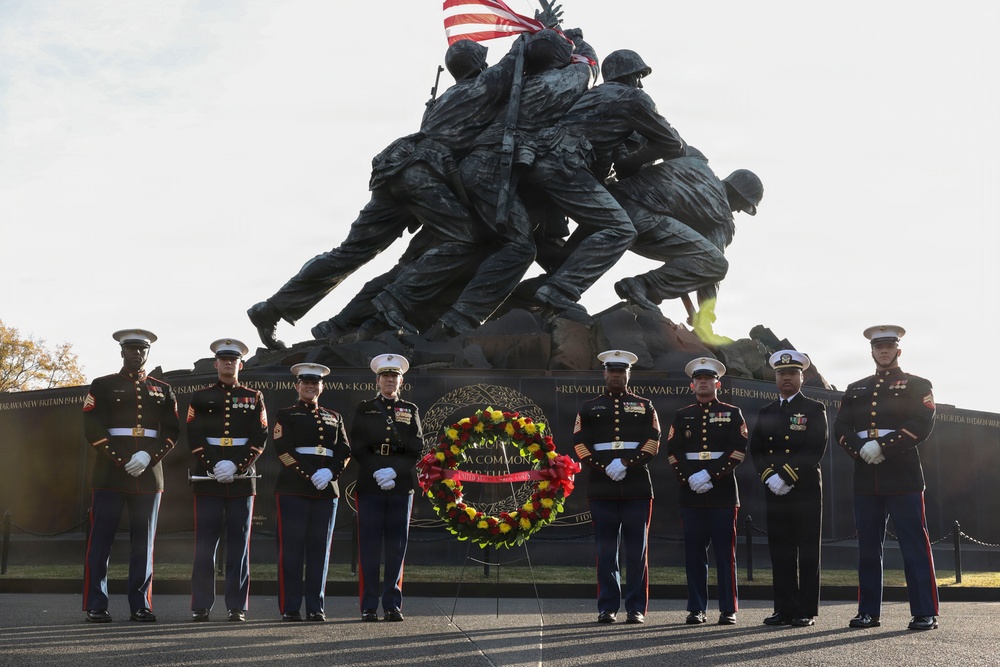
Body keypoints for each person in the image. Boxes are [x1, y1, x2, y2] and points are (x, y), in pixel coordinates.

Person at [247, 34, 532, 348]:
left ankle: (273, 307)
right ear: (478, 64)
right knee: (466, 236)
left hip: (394, 168)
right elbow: (513, 60)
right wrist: (533, 31)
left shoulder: (444, 100)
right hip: (423, 174)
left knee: (350, 252)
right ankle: (394, 303)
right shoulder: (480, 87)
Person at [521, 48, 687, 321]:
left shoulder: (590, 96)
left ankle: (528, 292)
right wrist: (633, 163)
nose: (641, 84)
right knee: (620, 229)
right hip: (564, 167)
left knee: (568, 236)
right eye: (638, 76)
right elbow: (671, 142)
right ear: (629, 76)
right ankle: (559, 290)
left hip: (541, 163)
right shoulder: (633, 98)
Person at [834, 325, 939, 631]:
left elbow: (922, 422)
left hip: (903, 475)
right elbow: (841, 427)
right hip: (866, 476)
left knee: (914, 546)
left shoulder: (917, 384)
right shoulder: (855, 389)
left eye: (889, 346)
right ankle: (868, 612)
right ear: (872, 351)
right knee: (868, 548)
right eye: (878, 347)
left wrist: (882, 447)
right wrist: (860, 450)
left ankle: (924, 612)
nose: (883, 351)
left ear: (898, 351)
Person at [81, 329, 179, 623]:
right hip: (110, 472)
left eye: (141, 350)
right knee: (100, 540)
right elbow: (92, 426)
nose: (136, 354)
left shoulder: (163, 389)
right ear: (121, 352)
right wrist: (123, 459)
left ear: (148, 353)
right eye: (131, 349)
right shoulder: (102, 385)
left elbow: (172, 430)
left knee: (144, 543)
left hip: (149, 475)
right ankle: (96, 604)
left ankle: (141, 604)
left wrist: (148, 456)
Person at [608, 154, 763, 324]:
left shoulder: (697, 165)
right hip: (641, 218)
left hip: (611, 198)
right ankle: (642, 285)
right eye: (743, 205)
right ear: (738, 196)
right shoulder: (722, 215)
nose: (740, 211)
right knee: (718, 264)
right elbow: (710, 264)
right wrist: (706, 313)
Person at [572, 350, 660, 624]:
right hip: (601, 488)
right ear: (604, 374)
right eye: (612, 372)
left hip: (636, 487)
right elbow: (579, 443)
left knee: (637, 552)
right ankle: (607, 607)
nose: (616, 376)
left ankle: (636, 608)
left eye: (621, 372)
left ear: (628, 375)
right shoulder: (589, 407)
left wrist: (625, 463)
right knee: (606, 552)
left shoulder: (645, 405)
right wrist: (604, 466)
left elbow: (653, 440)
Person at [186, 338, 268, 622]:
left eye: (234, 360)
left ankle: (237, 606)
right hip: (207, 478)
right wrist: (214, 465)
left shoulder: (254, 396)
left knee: (239, 546)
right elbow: (194, 434)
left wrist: (235, 464)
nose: (229, 364)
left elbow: (260, 436)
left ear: (240, 364)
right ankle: (201, 605)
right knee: (204, 546)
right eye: (224, 359)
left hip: (243, 479)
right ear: (215, 363)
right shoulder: (201, 396)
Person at [748, 350, 828, 627]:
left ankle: (805, 610)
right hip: (774, 490)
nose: (787, 378)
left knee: (807, 552)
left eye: (792, 373)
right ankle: (784, 608)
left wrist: (787, 476)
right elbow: (756, 449)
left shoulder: (814, 409)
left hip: (803, 490)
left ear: (801, 377)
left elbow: (815, 448)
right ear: (775, 378)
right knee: (780, 552)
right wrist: (770, 476)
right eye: (782, 374)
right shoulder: (766, 412)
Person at [665, 357, 747, 625]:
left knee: (726, 555)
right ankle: (696, 608)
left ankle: (728, 609)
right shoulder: (681, 415)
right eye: (699, 379)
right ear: (692, 384)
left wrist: (710, 474)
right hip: (691, 494)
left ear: (717, 384)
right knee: (694, 555)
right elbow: (674, 452)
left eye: (708, 379)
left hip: (722, 493)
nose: (703, 383)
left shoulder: (732, 413)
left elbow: (738, 450)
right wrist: (690, 477)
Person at [272, 363, 351, 621]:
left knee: (320, 551)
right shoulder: (286, 414)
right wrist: (310, 474)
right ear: (297, 386)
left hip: (327, 491)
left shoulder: (334, 416)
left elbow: (344, 451)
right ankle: (291, 608)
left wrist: (331, 473)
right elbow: (283, 449)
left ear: (322, 387)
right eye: (306, 382)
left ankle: (316, 607)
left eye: (315, 383)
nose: (310, 387)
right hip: (293, 489)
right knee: (292, 550)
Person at [349, 354, 423, 622]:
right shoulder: (365, 408)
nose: (389, 380)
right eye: (385, 377)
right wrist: (377, 470)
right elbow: (357, 444)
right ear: (377, 380)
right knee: (368, 546)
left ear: (401, 380)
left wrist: (395, 471)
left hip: (400, 485)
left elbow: (416, 445)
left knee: (396, 547)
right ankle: (368, 605)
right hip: (370, 484)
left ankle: (392, 604)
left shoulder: (410, 409)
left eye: (394, 377)